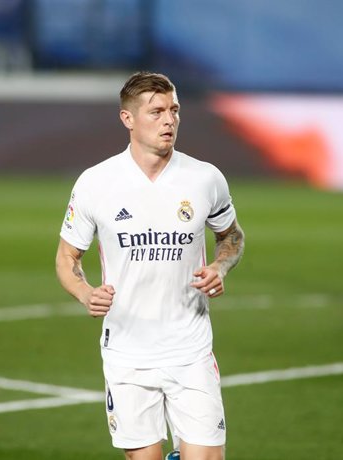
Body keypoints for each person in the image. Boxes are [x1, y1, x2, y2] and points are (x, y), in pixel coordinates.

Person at [56, 71, 244, 460]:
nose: (169, 120)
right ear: (128, 119)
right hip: (127, 353)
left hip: (189, 349)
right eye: (156, 112)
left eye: (174, 110)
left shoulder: (205, 178)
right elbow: (67, 257)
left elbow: (232, 236)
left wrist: (220, 268)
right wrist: (85, 292)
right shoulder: (96, 183)